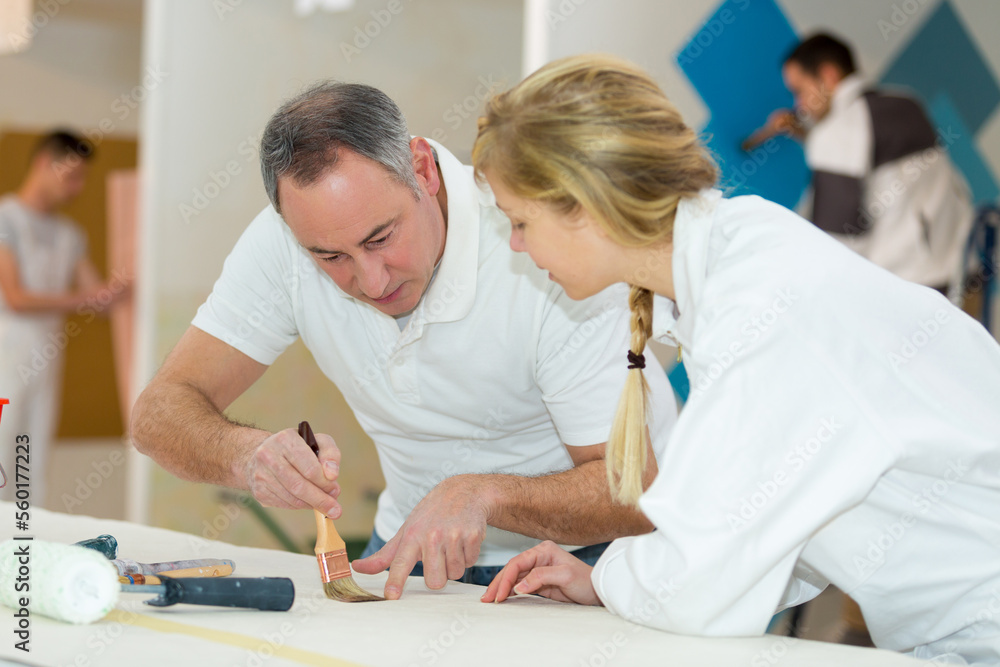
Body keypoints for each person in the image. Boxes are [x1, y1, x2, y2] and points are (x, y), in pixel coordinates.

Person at [475, 54, 1000, 665]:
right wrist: (605, 581)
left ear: (585, 204)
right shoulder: (739, 255)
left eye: (519, 221)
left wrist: (613, 580)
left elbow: (701, 582)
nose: (516, 246)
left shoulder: (758, 302)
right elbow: (764, 525)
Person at [130, 82, 678, 599]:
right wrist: (245, 455)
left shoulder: (534, 243)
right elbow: (158, 412)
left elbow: (633, 489)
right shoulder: (285, 243)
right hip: (408, 546)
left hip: (588, 559)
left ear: (422, 170)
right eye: (331, 257)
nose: (371, 283)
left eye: (380, 238)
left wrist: (483, 494)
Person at [764, 33, 973, 297]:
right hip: (963, 267)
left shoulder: (836, 134)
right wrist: (809, 136)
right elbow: (874, 158)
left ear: (828, 75)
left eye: (799, 91)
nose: (798, 105)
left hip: (916, 290)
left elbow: (838, 243)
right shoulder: (906, 101)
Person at [0, 130, 122, 508]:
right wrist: (86, 298)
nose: (77, 188)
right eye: (71, 176)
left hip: (46, 358)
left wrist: (122, 287)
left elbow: (99, 298)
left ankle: (25, 539)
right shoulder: (6, 218)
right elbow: (16, 299)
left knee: (32, 459)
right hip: (6, 355)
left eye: (82, 178)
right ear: (43, 164)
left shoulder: (70, 234)